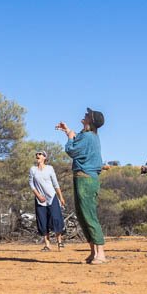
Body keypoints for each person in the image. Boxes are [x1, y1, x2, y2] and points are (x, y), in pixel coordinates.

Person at [57, 108, 107, 264]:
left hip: (86, 179)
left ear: (90, 121)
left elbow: (71, 150)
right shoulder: (89, 136)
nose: (84, 116)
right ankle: (93, 252)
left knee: (89, 215)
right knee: (82, 215)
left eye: (87, 115)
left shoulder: (88, 136)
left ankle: (101, 254)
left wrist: (70, 138)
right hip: (82, 178)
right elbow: (77, 138)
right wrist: (68, 131)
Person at [28, 149, 66, 251]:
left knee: (56, 219)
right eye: (37, 154)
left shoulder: (50, 168)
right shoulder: (33, 169)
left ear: (44, 157)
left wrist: (61, 197)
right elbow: (31, 184)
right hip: (40, 199)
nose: (38, 155)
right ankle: (47, 245)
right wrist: (38, 195)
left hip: (52, 197)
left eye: (40, 154)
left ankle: (59, 242)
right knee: (42, 221)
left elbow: (55, 184)